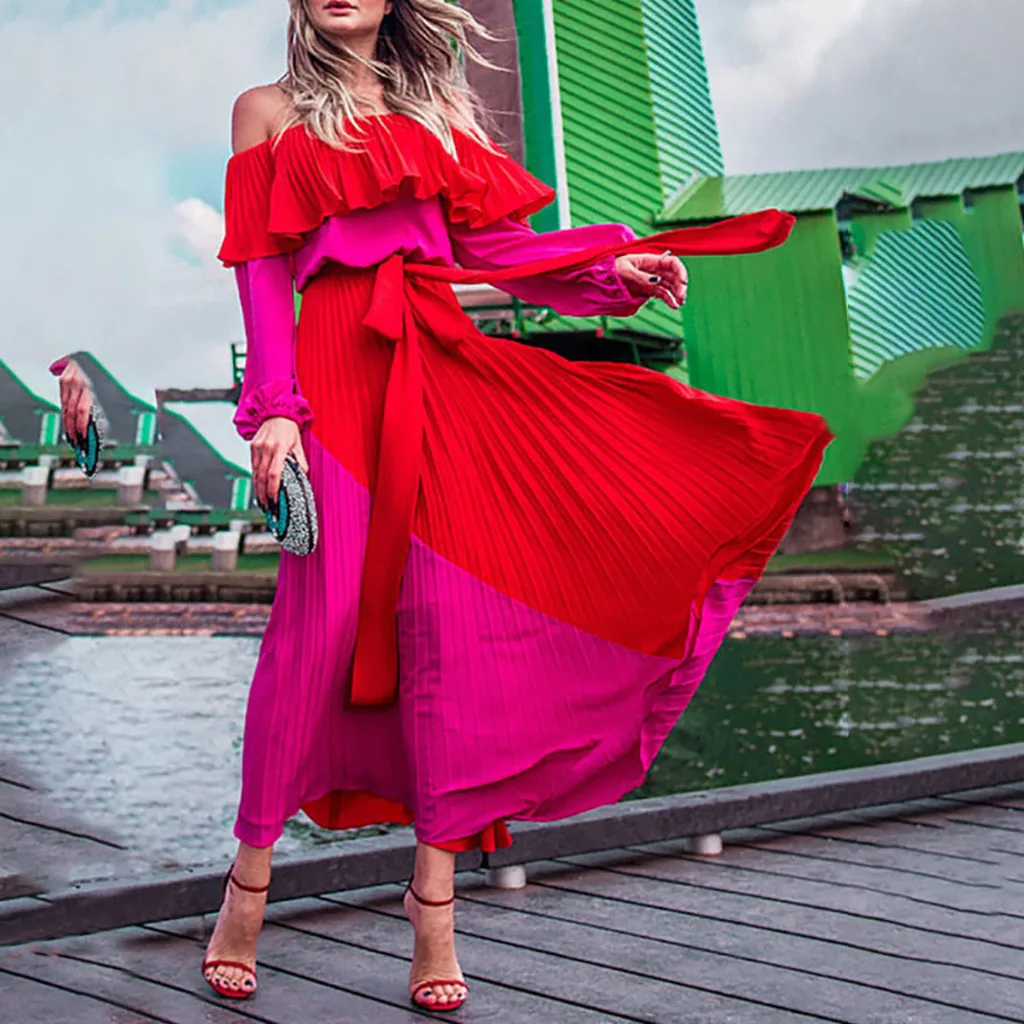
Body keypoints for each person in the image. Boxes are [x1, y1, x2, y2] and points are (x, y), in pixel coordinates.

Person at [54, 0, 832, 1012]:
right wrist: (274, 409)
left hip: (439, 371)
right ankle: (245, 893)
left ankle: (434, 910)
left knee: (446, 635)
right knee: (313, 636)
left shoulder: (439, 113)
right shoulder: (265, 112)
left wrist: (613, 270)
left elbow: (497, 252)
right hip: (334, 382)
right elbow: (261, 271)